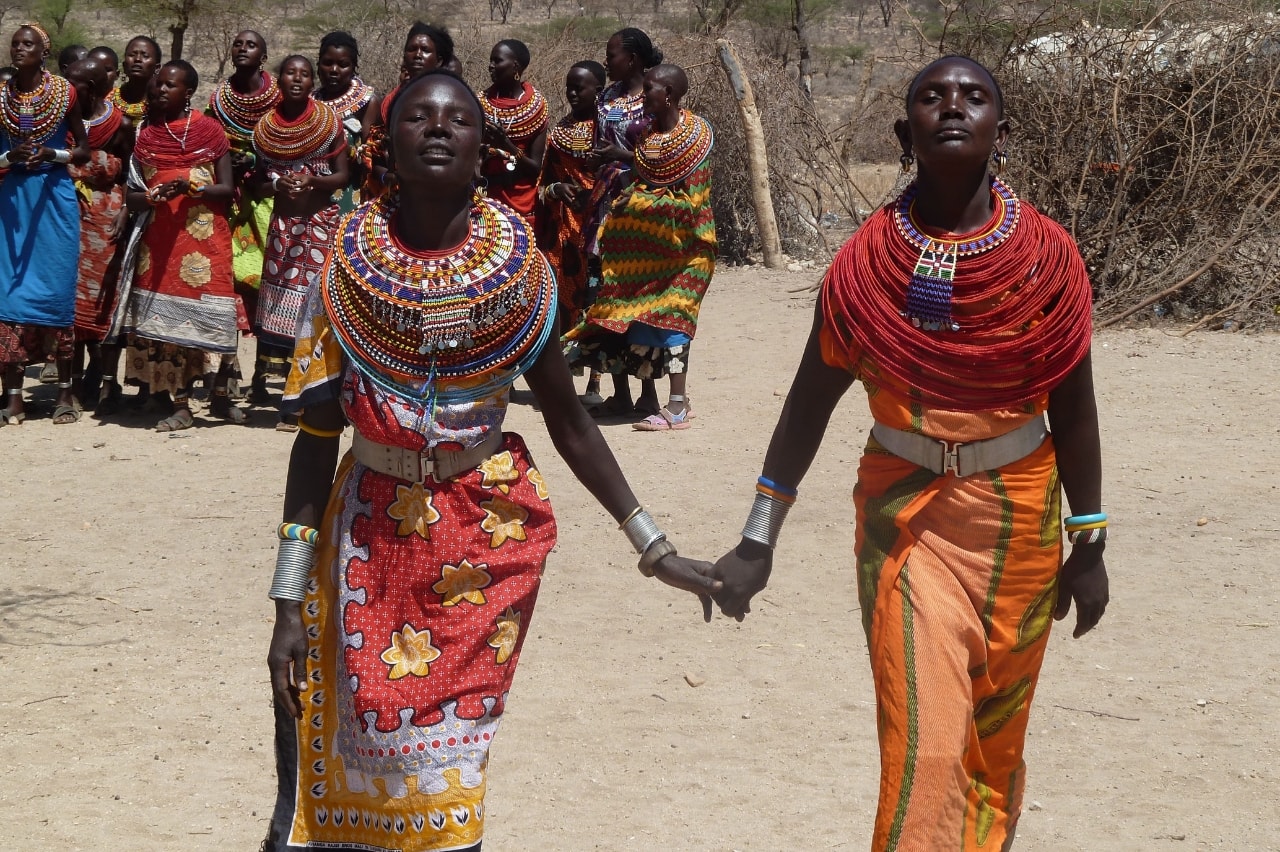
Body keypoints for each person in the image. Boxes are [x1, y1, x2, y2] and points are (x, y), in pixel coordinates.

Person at [261, 70, 722, 852]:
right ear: (385, 144)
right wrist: (284, 600)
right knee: (349, 749)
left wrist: (655, 548)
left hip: (484, 541)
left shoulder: (520, 273)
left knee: (451, 772)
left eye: (458, 120)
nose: (439, 129)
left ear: (485, 149)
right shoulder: (342, 269)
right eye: (419, 117)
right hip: (364, 540)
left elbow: (572, 425)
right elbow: (314, 442)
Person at [710, 56, 1109, 851]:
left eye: (974, 97)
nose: (953, 108)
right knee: (926, 745)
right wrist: (759, 535)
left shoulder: (1048, 261)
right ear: (904, 132)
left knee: (993, 745)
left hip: (1020, 524)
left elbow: (1074, 402)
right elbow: (806, 407)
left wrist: (1089, 539)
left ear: (1004, 128)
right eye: (932, 97)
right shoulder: (862, 270)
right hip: (906, 520)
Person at [565, 64, 714, 433]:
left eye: (650, 90)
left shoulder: (694, 137)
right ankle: (652, 399)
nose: (643, 95)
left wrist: (641, 205)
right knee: (640, 322)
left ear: (670, 96)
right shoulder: (647, 137)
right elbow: (641, 180)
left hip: (687, 249)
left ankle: (676, 405)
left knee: (676, 317)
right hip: (645, 255)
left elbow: (692, 201)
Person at [116, 60, 244, 430]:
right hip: (160, 244)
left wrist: (193, 187)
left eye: (169, 85)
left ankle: (220, 396)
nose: (159, 90)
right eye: (158, 84)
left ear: (187, 93)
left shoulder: (210, 131)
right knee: (170, 327)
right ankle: (182, 404)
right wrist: (155, 195)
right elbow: (132, 197)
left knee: (219, 318)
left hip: (205, 240)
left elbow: (226, 189)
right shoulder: (144, 135)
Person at [251, 55, 348, 431]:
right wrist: (278, 184)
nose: (297, 78)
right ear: (278, 79)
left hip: (321, 226)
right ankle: (290, 404)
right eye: (290, 72)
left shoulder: (327, 122)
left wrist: (311, 182)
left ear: (312, 82)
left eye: (304, 74)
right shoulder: (265, 129)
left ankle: (320, 399)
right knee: (285, 318)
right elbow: (255, 181)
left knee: (319, 313)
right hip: (284, 230)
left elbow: (341, 176)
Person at [0, 24, 90, 426]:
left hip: (54, 198)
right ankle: (14, 397)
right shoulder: (1, 97)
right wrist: (10, 157)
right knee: (9, 295)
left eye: (28, 44)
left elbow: (83, 150)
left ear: (44, 50)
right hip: (14, 200)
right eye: (16, 44)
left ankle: (65, 394)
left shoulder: (65, 93)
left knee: (56, 291)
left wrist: (51, 154)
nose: (20, 50)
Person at [579, 26, 662, 418]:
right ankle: (620, 392)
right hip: (605, 203)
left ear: (633, 59)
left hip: (641, 205)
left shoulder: (656, 96)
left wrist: (625, 157)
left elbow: (668, 152)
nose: (607, 60)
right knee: (605, 296)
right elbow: (600, 142)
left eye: (612, 55)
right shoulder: (605, 97)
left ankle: (649, 394)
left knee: (639, 297)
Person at [208, 29, 281, 403]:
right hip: (230, 198)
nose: (242, 49)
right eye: (237, 43)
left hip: (269, 199)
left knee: (269, 285)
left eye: (251, 44)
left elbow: (290, 140)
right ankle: (228, 368)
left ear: (263, 55)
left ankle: (263, 374)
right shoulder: (219, 99)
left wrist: (255, 160)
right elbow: (210, 140)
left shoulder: (280, 98)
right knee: (229, 285)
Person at [66, 56, 133, 413]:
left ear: (89, 89)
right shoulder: (60, 119)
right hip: (67, 217)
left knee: (106, 303)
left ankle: (109, 385)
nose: (64, 86)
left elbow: (129, 174)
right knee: (72, 305)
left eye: (72, 81)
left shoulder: (119, 124)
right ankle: (73, 386)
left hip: (106, 221)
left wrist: (125, 210)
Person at [536, 60, 603, 333]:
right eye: (568, 88)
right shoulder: (560, 131)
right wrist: (556, 190)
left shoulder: (609, 131)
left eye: (579, 88)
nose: (572, 93)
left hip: (598, 227)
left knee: (597, 297)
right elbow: (543, 185)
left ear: (598, 91)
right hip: (564, 232)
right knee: (563, 299)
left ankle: (596, 375)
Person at [361, 22, 453, 200]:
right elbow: (377, 154)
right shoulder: (388, 102)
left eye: (425, 50)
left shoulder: (449, 100)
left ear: (439, 60)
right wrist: (385, 176)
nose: (418, 55)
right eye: (412, 49)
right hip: (394, 193)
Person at [479, 39, 547, 223]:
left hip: (522, 201)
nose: (490, 66)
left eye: (497, 61)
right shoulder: (481, 104)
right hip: (486, 199)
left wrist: (506, 145)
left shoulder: (536, 107)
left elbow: (535, 169)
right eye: (491, 60)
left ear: (515, 65)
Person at [313, 31, 373, 214]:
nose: (334, 70)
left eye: (343, 65)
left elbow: (372, 155)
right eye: (328, 63)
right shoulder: (309, 102)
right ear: (318, 65)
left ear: (354, 67)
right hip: (312, 195)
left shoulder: (367, 102)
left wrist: (349, 150)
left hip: (352, 195)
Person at [110, 36, 160, 124]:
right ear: (124, 65)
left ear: (157, 68)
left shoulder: (162, 104)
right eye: (132, 55)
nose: (137, 59)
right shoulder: (108, 101)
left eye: (145, 56)